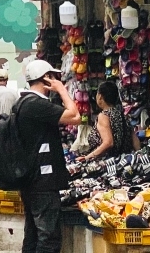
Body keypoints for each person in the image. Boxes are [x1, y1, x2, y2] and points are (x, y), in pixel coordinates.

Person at [16, 59, 81, 253]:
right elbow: (75, 117)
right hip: (42, 184)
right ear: (46, 79)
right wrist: (61, 90)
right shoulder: (36, 105)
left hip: (31, 181)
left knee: (33, 235)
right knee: (48, 238)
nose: (56, 80)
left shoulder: (23, 103)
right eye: (53, 77)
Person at [78, 81, 139, 162]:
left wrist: (87, 158)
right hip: (124, 162)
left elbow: (108, 143)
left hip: (108, 165)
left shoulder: (104, 116)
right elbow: (135, 142)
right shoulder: (123, 115)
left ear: (100, 96)